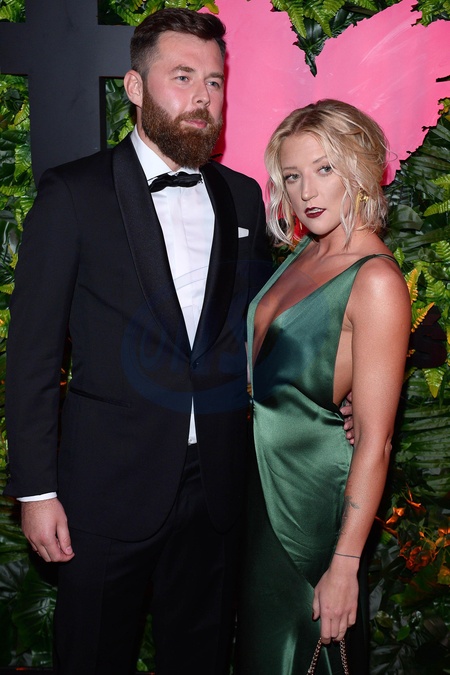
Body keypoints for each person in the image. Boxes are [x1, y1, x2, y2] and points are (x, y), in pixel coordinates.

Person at [4, 8, 273, 675]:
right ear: (134, 86)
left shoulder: (242, 197)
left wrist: (334, 392)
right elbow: (34, 355)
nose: (202, 97)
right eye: (182, 77)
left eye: (214, 81)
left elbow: (258, 329)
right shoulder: (73, 194)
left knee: (202, 658)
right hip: (104, 489)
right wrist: (35, 491)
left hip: (215, 487)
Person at [237, 99, 411, 674]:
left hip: (309, 509)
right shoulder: (307, 250)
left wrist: (346, 563)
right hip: (261, 492)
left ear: (358, 169)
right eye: (292, 176)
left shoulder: (376, 280)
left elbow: (377, 443)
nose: (306, 191)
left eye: (324, 169)